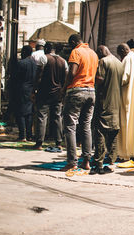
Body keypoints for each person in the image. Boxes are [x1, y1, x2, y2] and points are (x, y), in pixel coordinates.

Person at [60, 34, 99, 171]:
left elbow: (72, 73)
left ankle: (72, 162)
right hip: (91, 91)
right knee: (86, 126)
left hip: (76, 91)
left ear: (73, 42)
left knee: (70, 126)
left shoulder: (76, 52)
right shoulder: (93, 54)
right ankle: (87, 161)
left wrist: (64, 89)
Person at [90, 45, 123, 175]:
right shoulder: (119, 63)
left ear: (100, 53)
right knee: (114, 132)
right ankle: (111, 161)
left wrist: (92, 75)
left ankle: (98, 163)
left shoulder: (103, 62)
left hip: (104, 102)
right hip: (116, 103)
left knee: (100, 132)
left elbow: (100, 79)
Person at [33, 42, 68, 150]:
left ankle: (39, 143)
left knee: (41, 117)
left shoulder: (44, 58)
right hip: (58, 94)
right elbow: (65, 79)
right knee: (57, 117)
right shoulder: (63, 61)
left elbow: (38, 76)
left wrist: (34, 89)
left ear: (46, 48)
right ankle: (58, 142)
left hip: (44, 93)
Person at [12, 45, 37, 141]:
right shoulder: (34, 64)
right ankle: (29, 135)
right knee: (29, 113)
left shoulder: (21, 63)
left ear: (24, 52)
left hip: (21, 89)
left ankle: (22, 135)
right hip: (30, 90)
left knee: (20, 112)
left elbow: (16, 78)